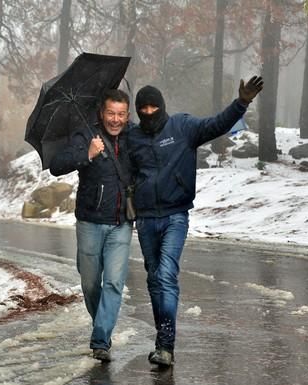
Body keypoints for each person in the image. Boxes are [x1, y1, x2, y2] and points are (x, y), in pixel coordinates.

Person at [128, 76, 264, 366]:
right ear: (138, 111)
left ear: (162, 106)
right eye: (144, 109)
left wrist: (241, 102)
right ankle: (161, 339)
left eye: (154, 107)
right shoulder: (133, 137)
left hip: (176, 214)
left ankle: (166, 345)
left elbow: (216, 124)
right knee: (154, 280)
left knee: (165, 275)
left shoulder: (182, 126)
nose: (149, 112)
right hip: (146, 219)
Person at [49, 89, 134, 362]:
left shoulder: (134, 137)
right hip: (89, 222)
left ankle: (101, 340)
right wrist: (86, 154)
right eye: (111, 113)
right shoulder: (86, 134)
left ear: (128, 114)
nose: (116, 119)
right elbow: (56, 166)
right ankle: (102, 324)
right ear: (102, 112)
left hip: (121, 223)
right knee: (90, 284)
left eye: (121, 114)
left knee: (113, 282)